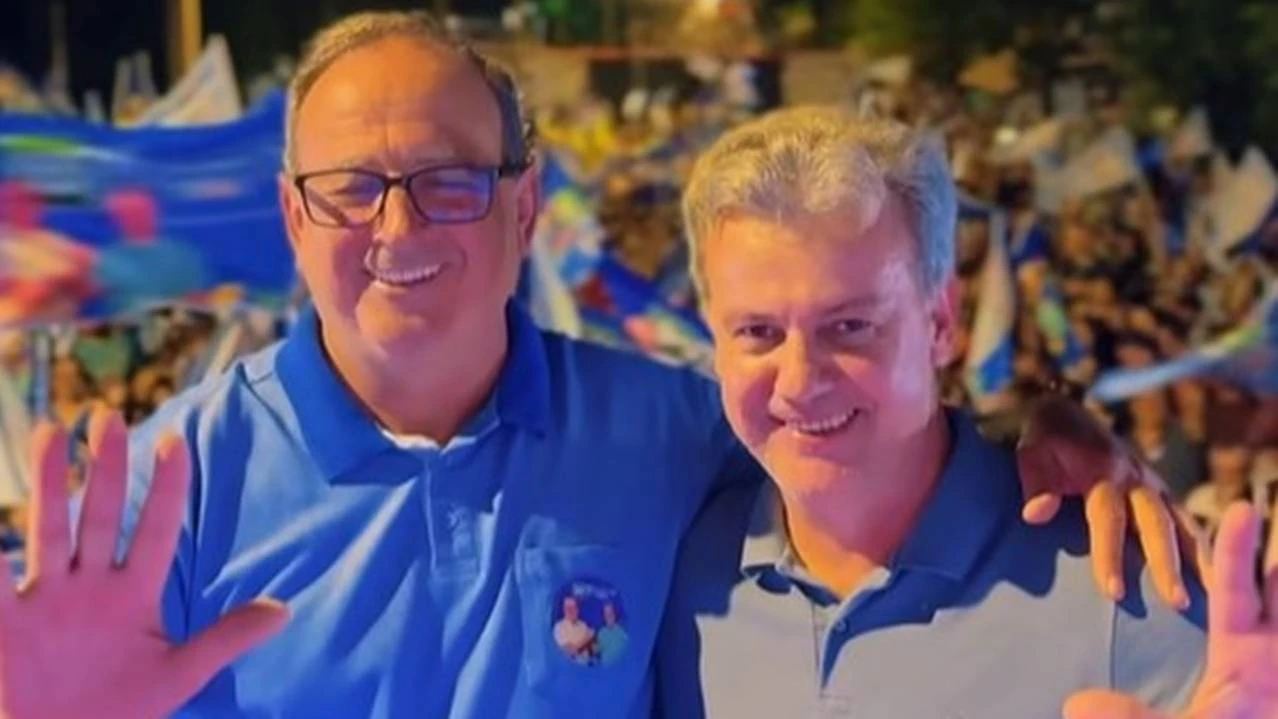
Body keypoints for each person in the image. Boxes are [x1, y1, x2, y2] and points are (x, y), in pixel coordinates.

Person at [0, 12, 1198, 719]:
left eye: (448, 181)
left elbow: (853, 426)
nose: (398, 228)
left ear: (525, 206)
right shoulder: (162, 487)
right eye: (351, 187)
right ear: (292, 216)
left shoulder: (673, 432)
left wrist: (1053, 437)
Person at [654, 106, 1276, 718]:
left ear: (942, 322)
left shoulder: (1126, 589)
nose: (798, 381)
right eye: (757, 332)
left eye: (849, 326)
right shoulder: (672, 570)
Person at [552, 596, 595, 664]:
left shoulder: (583, 625)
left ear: (577, 609)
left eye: (573, 607)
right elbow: (569, 651)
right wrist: (587, 638)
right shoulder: (559, 627)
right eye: (567, 608)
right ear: (563, 610)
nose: (570, 611)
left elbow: (591, 649)